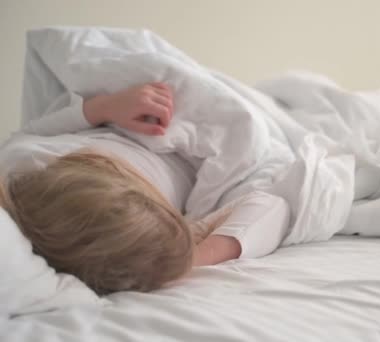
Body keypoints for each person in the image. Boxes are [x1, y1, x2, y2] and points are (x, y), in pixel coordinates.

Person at [1, 83, 290, 295]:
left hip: (120, 121)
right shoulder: (140, 237)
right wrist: (188, 260)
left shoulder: (19, 162)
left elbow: (32, 131)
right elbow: (272, 206)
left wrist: (102, 107)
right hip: (186, 157)